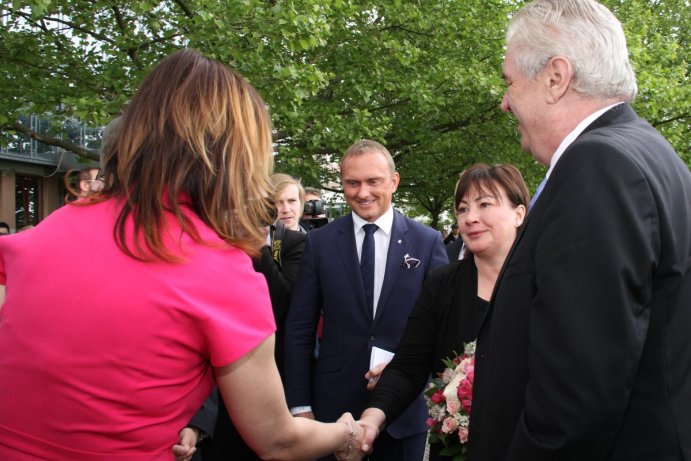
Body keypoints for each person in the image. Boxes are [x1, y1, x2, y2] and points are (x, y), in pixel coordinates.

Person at [0, 49, 363, 461]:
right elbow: (277, 439)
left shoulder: (50, 228)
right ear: (233, 155)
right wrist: (346, 432)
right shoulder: (220, 270)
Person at [467, 1, 691, 460]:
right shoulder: (648, 151)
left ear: (556, 77)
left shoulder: (598, 166)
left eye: (510, 80)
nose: (505, 100)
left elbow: (577, 395)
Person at [284, 139, 449, 461]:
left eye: (373, 181)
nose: (363, 193)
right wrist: (300, 406)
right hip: (331, 412)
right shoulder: (320, 244)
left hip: (403, 411)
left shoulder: (426, 242)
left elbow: (441, 327)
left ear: (394, 181)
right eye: (352, 183)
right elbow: (299, 328)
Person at [358, 163, 528, 459]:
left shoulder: (546, 284)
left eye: (485, 204)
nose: (470, 218)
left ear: (519, 214)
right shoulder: (442, 284)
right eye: (462, 209)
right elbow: (409, 366)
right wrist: (373, 417)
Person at [177, 173, 308, 461]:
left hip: (275, 373)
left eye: (291, 201)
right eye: (277, 202)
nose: (284, 209)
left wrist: (260, 246)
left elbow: (284, 304)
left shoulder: (295, 243)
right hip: (226, 379)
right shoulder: (222, 242)